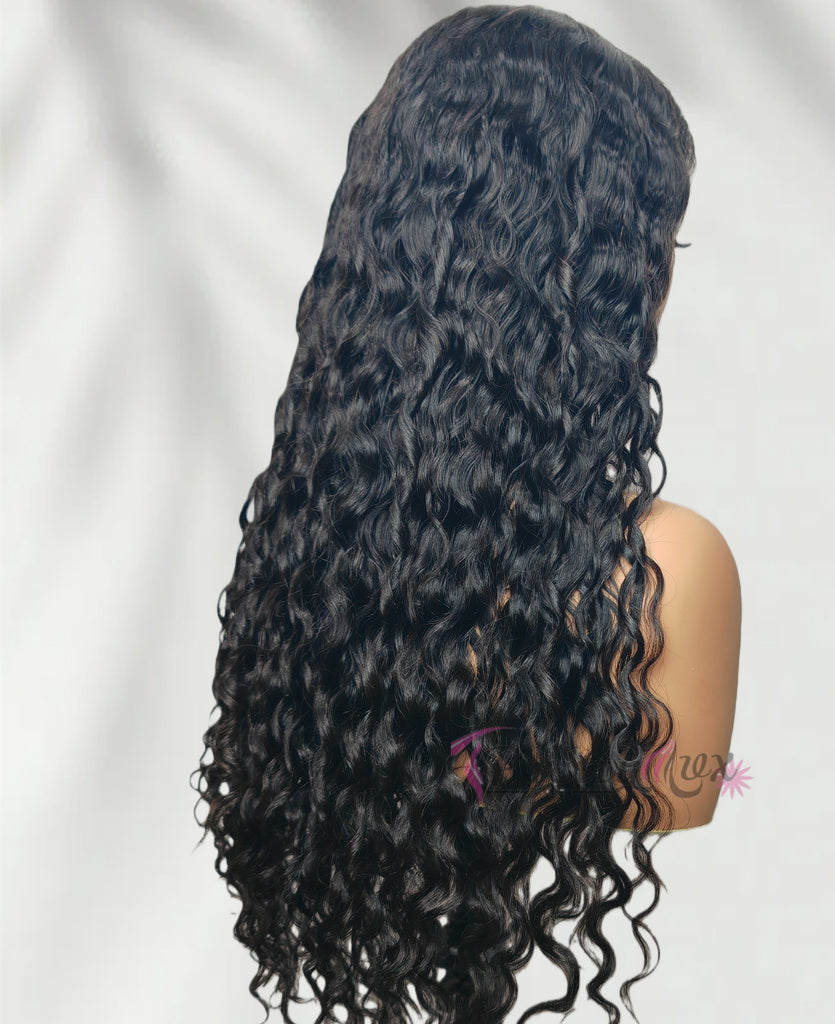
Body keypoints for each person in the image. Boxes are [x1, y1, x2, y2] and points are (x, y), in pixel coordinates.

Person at [192, 6, 740, 1023]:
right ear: (597, 280)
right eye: (654, 248)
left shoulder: (312, 543)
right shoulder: (666, 568)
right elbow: (687, 785)